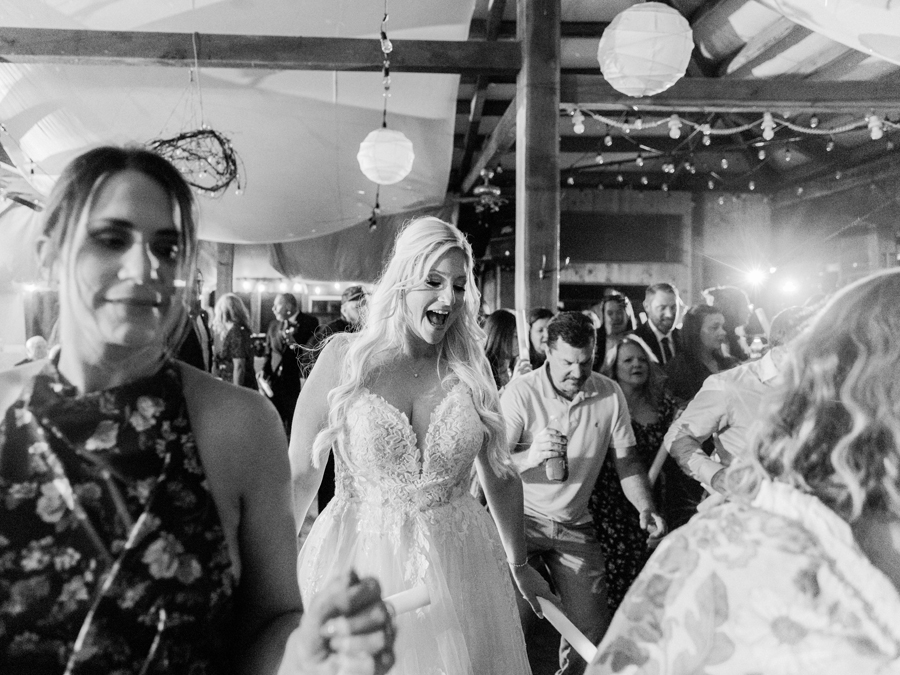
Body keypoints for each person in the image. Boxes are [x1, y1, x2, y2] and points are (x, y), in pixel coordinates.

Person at [0, 146, 394, 675]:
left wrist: (305, 650)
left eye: (166, 248)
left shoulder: (241, 425)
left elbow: (270, 623)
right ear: (50, 253)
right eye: (112, 239)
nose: (146, 268)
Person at [588, 269, 900, 674]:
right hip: (746, 502)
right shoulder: (717, 551)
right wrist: (717, 476)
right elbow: (679, 440)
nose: (725, 332)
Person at [290, 216, 551, 675]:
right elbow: (300, 477)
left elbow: (501, 473)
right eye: (433, 281)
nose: (448, 298)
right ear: (402, 282)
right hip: (360, 560)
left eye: (458, 285)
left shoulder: (472, 370)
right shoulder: (344, 361)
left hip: (462, 563)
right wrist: (261, 574)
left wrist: (520, 562)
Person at [501, 312, 665, 675]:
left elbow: (627, 461)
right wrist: (531, 456)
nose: (577, 372)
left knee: (590, 629)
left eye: (586, 361)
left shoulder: (609, 392)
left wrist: (645, 507)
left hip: (575, 523)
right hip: (520, 521)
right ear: (547, 350)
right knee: (512, 622)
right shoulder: (521, 392)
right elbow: (491, 466)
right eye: (567, 363)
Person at [664, 306, 807, 496]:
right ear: (782, 346)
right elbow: (678, 437)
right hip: (746, 506)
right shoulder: (730, 385)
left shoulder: (822, 386)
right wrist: (715, 476)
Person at [589, 336, 678, 612]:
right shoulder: (605, 402)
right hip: (611, 497)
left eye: (641, 359)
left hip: (651, 493)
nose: (636, 365)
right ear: (614, 367)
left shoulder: (663, 404)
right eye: (628, 360)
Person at [662, 304, 738, 529]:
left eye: (723, 326)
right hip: (693, 460)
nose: (723, 333)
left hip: (725, 457)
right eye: (714, 327)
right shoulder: (679, 368)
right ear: (696, 331)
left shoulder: (728, 365)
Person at [261, 293, 318, 434]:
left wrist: (294, 343)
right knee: (274, 422)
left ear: (288, 306)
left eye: (277, 305)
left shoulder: (309, 322)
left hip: (294, 381)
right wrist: (264, 370)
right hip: (274, 382)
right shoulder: (274, 325)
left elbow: (311, 352)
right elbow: (268, 352)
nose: (273, 309)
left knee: (294, 421)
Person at [213, 292, 258, 390]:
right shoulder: (241, 330)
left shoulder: (236, 332)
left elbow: (239, 366)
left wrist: (236, 392)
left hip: (239, 389)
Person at [633, 282, 680, 366]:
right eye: (662, 308)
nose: (669, 314)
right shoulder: (636, 340)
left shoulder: (685, 339)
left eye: (674, 307)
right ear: (647, 307)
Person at [175, 269, 213, 372]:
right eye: (194, 281)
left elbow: (206, 350)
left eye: (200, 282)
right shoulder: (177, 317)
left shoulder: (203, 316)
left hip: (204, 378)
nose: (197, 286)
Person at [703, 284, 752, 362]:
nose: (749, 312)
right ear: (731, 308)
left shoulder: (732, 336)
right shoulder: (719, 342)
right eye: (746, 306)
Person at [484, 309, 531, 391]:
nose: (520, 342)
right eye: (515, 336)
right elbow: (489, 402)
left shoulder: (511, 365)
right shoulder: (483, 367)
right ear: (500, 337)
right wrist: (513, 383)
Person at [590, 291, 636, 371]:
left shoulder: (638, 342)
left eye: (619, 312)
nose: (615, 317)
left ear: (627, 315)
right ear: (603, 316)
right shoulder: (593, 340)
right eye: (610, 313)